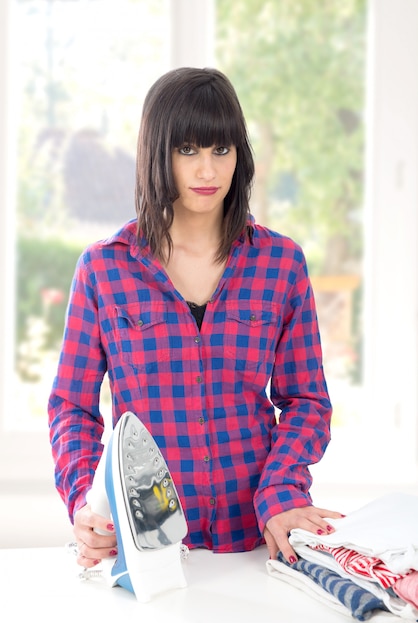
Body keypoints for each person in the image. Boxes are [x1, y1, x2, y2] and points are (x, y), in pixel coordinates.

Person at [48, 66, 343, 572]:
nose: (208, 172)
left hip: (257, 541)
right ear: (156, 154)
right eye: (187, 150)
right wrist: (86, 505)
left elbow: (306, 401)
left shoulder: (281, 264)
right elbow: (71, 407)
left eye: (220, 150)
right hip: (147, 553)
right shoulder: (104, 268)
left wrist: (281, 488)